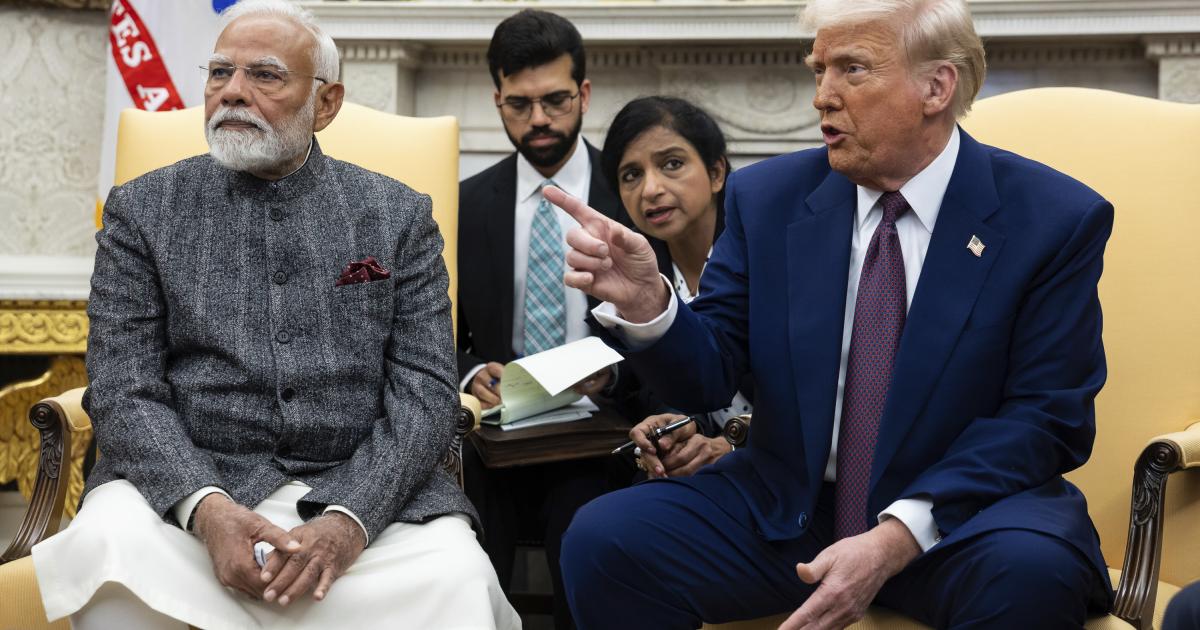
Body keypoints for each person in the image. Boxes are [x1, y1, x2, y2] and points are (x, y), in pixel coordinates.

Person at [549, 0, 1116, 627]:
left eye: (851, 70)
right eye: (818, 70)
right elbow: (710, 374)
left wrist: (898, 535)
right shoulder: (767, 200)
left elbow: (1047, 418)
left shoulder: (1051, 218)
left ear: (936, 87)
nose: (822, 96)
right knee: (605, 540)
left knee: (1033, 575)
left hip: (962, 518)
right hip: (792, 510)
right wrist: (652, 306)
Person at [29, 2, 517, 629]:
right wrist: (206, 509)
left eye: (264, 75)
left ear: (327, 103)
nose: (232, 92)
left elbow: (424, 392)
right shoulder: (143, 210)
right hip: (187, 490)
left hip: (363, 495)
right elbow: (125, 387)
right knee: (109, 544)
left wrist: (349, 519)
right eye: (218, 74)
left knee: (458, 577)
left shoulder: (396, 216)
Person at [455, 9, 631, 628]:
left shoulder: (633, 193)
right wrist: (471, 371)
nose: (539, 121)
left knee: (585, 526)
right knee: (461, 533)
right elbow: (434, 336)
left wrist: (612, 378)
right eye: (519, 104)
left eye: (555, 100)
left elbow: (677, 323)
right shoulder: (464, 204)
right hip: (494, 437)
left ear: (584, 94)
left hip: (604, 433)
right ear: (496, 99)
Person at [599, 96, 753, 479]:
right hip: (686, 473)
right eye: (631, 175)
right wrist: (665, 431)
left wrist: (733, 440)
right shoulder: (631, 272)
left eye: (672, 164)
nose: (650, 189)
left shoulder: (765, 252)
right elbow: (644, 392)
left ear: (717, 173)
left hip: (781, 462)